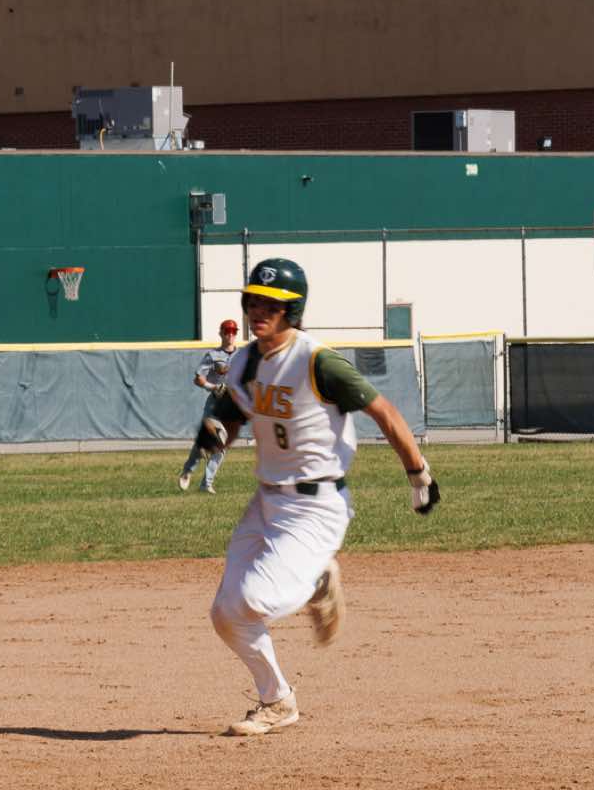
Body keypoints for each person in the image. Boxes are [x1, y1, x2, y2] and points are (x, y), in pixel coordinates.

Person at [203, 257, 440, 736]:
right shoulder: (245, 361)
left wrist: (419, 475)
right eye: (253, 301)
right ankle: (277, 701)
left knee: (252, 600)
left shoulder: (317, 361)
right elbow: (233, 415)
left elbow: (385, 412)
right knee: (225, 614)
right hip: (266, 501)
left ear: (292, 311)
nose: (258, 311)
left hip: (315, 505)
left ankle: (315, 578)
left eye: (272, 304)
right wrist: (215, 435)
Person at [177, 318, 240, 493]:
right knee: (207, 440)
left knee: (222, 445)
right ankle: (187, 471)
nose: (230, 334)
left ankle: (206, 484)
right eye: (227, 331)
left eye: (233, 331)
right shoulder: (213, 355)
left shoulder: (241, 356)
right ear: (221, 333)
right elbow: (198, 378)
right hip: (215, 402)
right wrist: (213, 387)